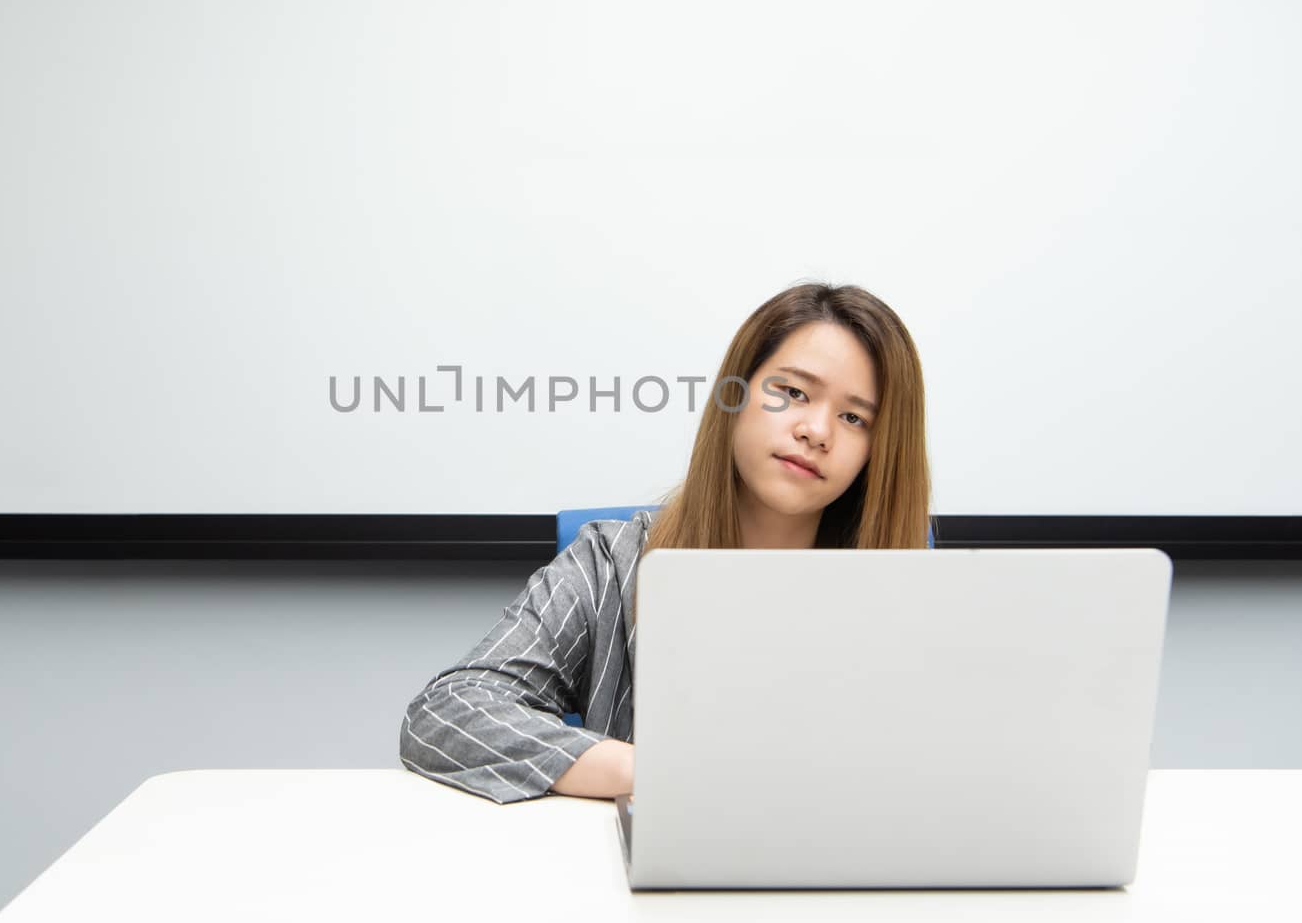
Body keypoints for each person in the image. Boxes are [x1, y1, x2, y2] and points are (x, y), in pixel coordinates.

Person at [397, 280, 933, 804]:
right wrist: (658, 772)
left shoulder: (916, 597)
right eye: (792, 392)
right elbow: (447, 712)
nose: (817, 430)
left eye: (853, 417)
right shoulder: (609, 563)